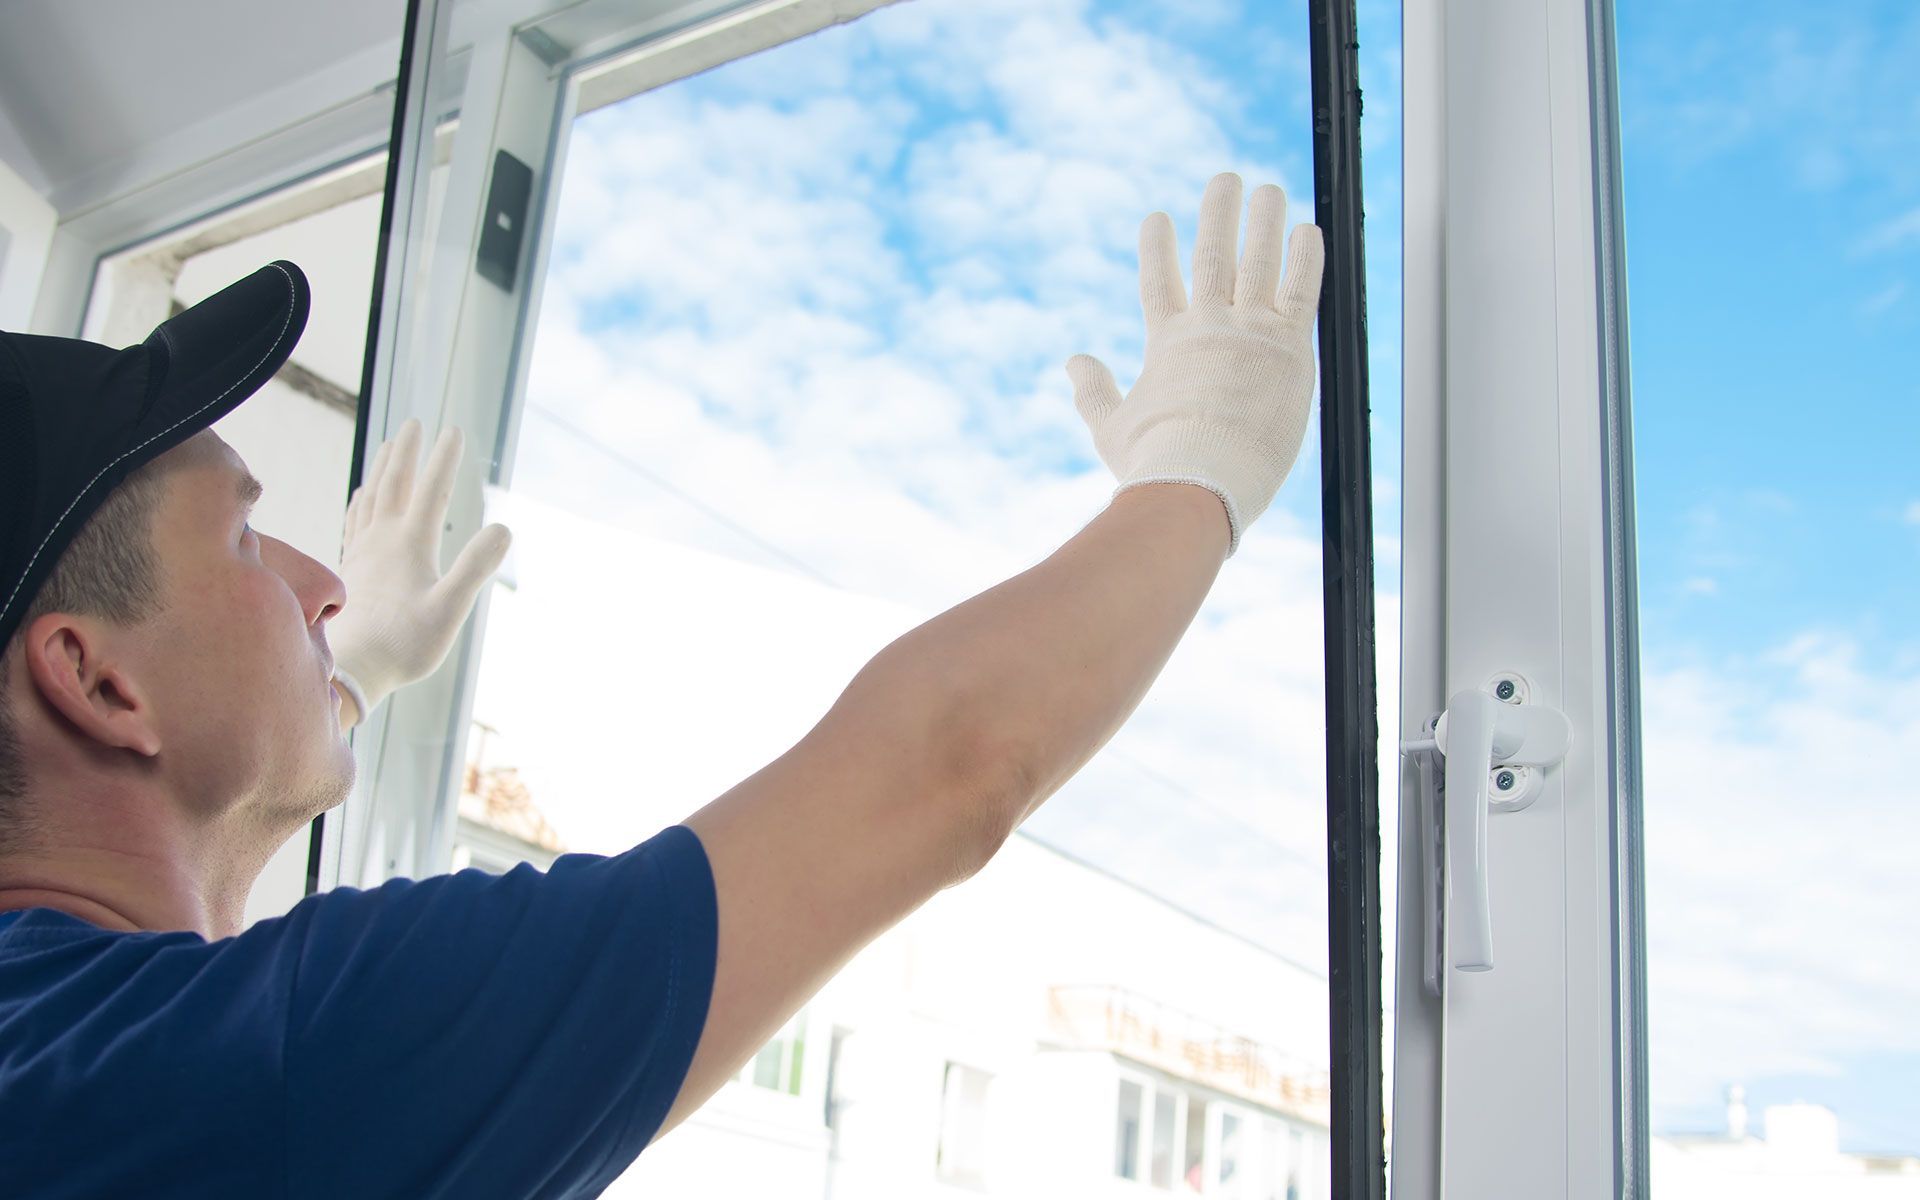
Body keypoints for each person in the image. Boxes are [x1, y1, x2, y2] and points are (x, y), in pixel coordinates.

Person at [0, 171, 1322, 1197]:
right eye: (243, 536)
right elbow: (945, 768)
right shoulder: (246, 1070)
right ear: (98, 685)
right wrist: (1195, 470)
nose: (325, 585)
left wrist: (346, 686)